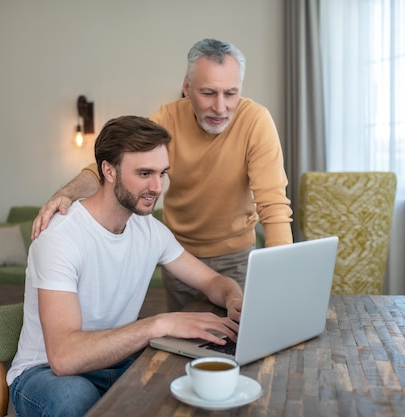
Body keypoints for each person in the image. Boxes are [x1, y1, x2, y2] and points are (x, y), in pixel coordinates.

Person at [32, 38, 292, 312]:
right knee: (185, 343)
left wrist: (280, 277)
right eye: (208, 93)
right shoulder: (166, 120)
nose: (220, 107)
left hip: (236, 256)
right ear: (187, 88)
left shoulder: (256, 121)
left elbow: (273, 205)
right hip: (179, 254)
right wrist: (65, 194)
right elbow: (108, 166)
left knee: (238, 338)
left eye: (230, 93)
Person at [8, 115, 243, 417]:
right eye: (145, 173)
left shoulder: (150, 231)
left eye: (162, 173)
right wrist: (159, 324)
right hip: (44, 373)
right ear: (108, 170)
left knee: (185, 383)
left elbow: (212, 283)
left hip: (117, 362)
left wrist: (234, 298)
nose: (157, 187)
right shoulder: (60, 237)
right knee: (73, 398)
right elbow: (64, 358)